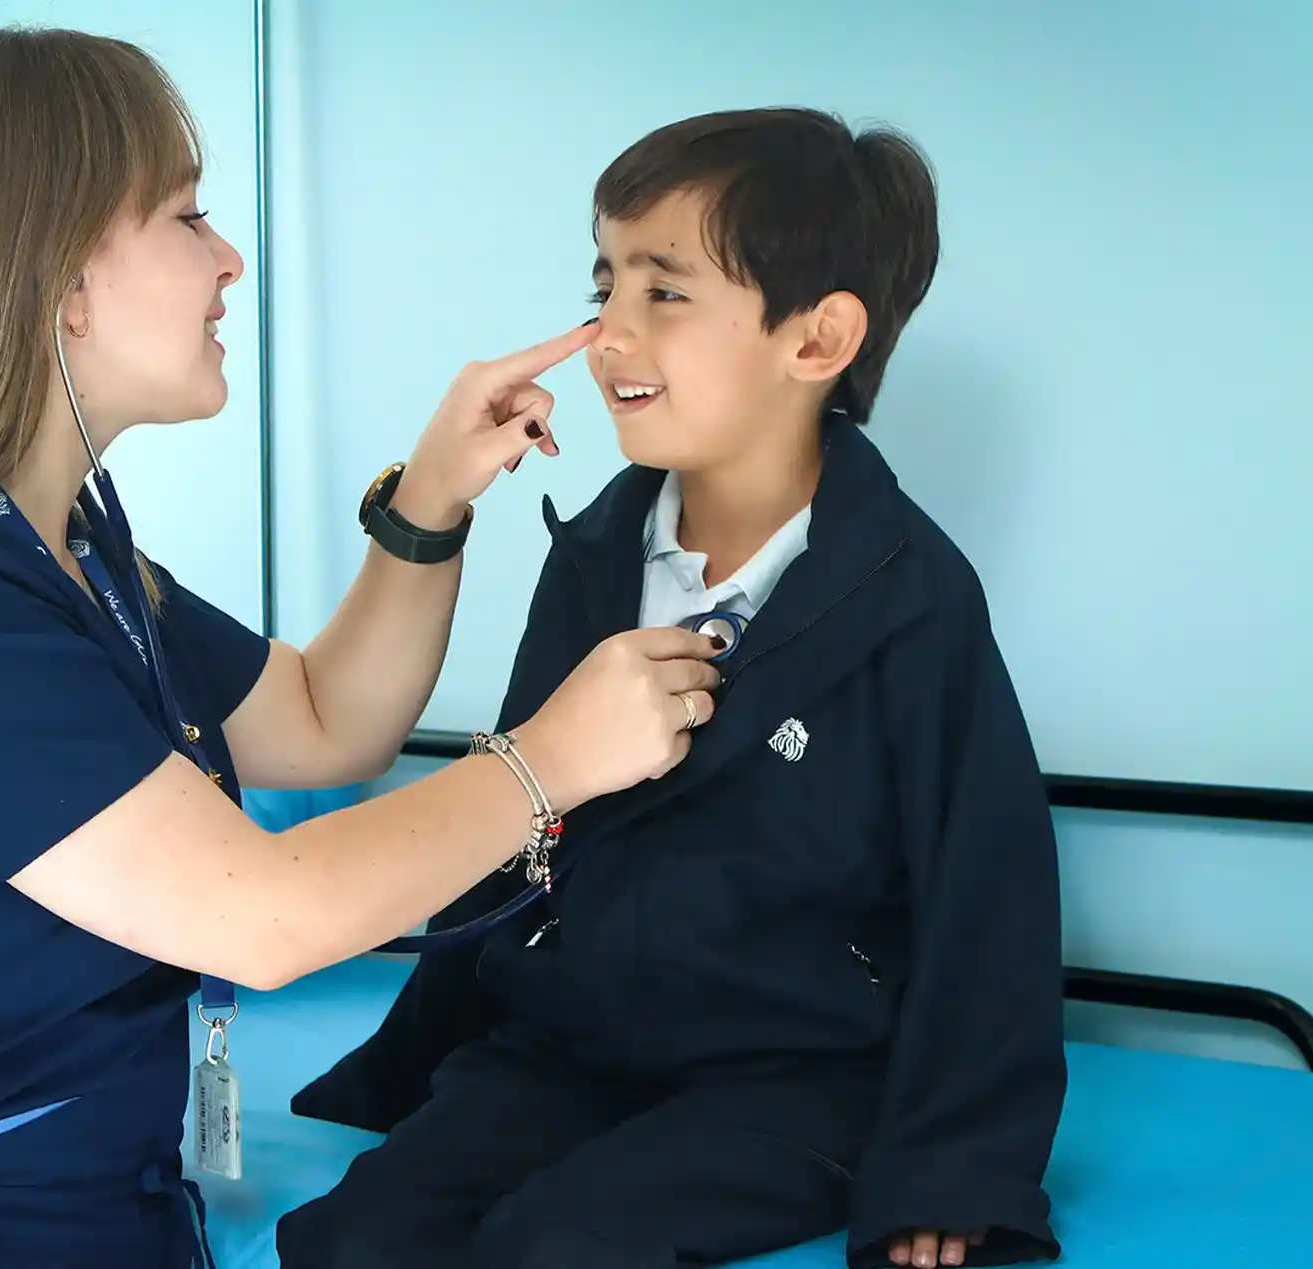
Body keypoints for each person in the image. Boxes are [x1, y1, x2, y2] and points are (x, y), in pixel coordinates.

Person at [0, 28, 727, 1269]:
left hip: (95, 1218)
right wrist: (550, 761)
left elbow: (325, 718)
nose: (228, 259)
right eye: (187, 216)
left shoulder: (76, 559)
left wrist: (430, 500)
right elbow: (263, 920)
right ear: (59, 279)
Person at [282, 109, 1067, 1269]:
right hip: (570, 1048)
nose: (611, 334)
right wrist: (425, 1050)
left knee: (559, 1247)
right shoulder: (595, 558)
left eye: (665, 292)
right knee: (352, 1238)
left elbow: (986, 896)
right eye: (604, 287)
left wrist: (953, 1169)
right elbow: (517, 808)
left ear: (817, 339)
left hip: (797, 1078)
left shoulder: (914, 599)